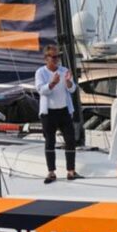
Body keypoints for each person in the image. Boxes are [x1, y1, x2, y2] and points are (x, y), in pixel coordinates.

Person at [35, 44, 83, 183]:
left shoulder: (64, 70)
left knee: (70, 140)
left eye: (58, 57)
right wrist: (52, 83)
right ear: (46, 58)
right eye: (54, 57)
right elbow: (41, 90)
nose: (57, 59)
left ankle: (71, 171)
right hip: (48, 113)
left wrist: (68, 82)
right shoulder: (41, 72)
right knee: (50, 141)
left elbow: (72, 89)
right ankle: (51, 172)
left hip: (63, 111)